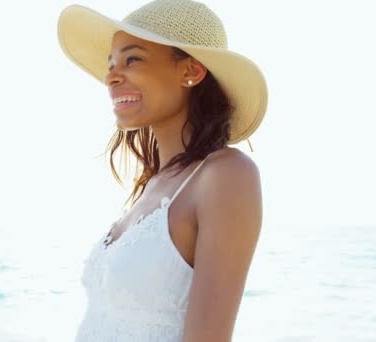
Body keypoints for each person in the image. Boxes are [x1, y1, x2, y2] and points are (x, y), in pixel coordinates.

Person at [57, 0, 267, 340]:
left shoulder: (227, 175)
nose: (111, 76)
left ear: (191, 71)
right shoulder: (150, 185)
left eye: (132, 58)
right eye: (111, 64)